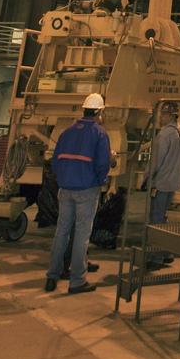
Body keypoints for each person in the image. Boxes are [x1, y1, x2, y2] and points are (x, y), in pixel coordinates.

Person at [45, 92, 110, 295]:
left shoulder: (67, 132)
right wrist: (101, 181)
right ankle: (77, 281)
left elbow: (55, 161)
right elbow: (103, 164)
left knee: (61, 232)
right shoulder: (100, 133)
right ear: (99, 112)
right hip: (86, 189)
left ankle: (52, 276)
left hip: (65, 189)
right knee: (82, 235)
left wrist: (64, 178)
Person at [145, 101, 180, 235]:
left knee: (156, 216)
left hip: (161, 182)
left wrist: (147, 177)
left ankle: (156, 243)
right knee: (163, 213)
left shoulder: (164, 134)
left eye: (163, 114)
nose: (160, 117)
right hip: (174, 181)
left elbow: (156, 160)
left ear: (170, 116)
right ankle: (163, 242)